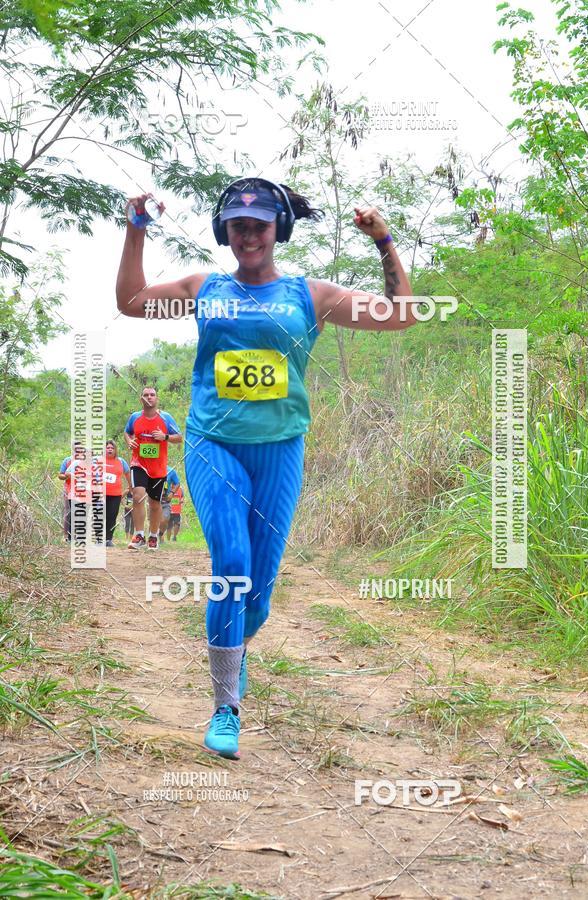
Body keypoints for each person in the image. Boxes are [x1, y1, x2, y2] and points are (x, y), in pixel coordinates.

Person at [116, 176, 418, 759]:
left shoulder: (312, 294)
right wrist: (136, 228)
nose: (248, 234)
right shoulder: (204, 287)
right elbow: (130, 302)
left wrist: (383, 241)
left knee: (257, 594)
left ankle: (236, 643)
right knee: (230, 562)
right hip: (213, 445)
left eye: (259, 224)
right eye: (238, 225)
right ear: (224, 231)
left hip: (281, 448)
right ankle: (226, 706)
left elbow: (401, 315)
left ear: (278, 230)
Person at [123, 387, 182, 550]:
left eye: (152, 395)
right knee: (137, 497)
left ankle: (153, 536)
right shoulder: (135, 417)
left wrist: (166, 437)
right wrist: (129, 441)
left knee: (155, 503)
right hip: (138, 464)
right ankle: (139, 534)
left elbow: (179, 438)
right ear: (141, 398)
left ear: (157, 398)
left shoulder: (166, 418)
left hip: (158, 468)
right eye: (146, 395)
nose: (149, 397)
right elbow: (126, 432)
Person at [103, 439, 131, 546]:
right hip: (100, 494)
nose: (110, 449)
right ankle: (99, 538)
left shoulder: (121, 461)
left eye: (112, 448)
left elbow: (127, 473)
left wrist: (130, 486)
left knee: (112, 516)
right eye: (108, 447)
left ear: (115, 450)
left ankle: (108, 539)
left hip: (115, 494)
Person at [158, 467, 180, 542]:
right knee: (153, 519)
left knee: (165, 519)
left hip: (166, 500)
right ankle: (152, 538)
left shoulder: (171, 471)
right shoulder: (152, 468)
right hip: (154, 499)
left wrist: (172, 492)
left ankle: (160, 533)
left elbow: (177, 483)